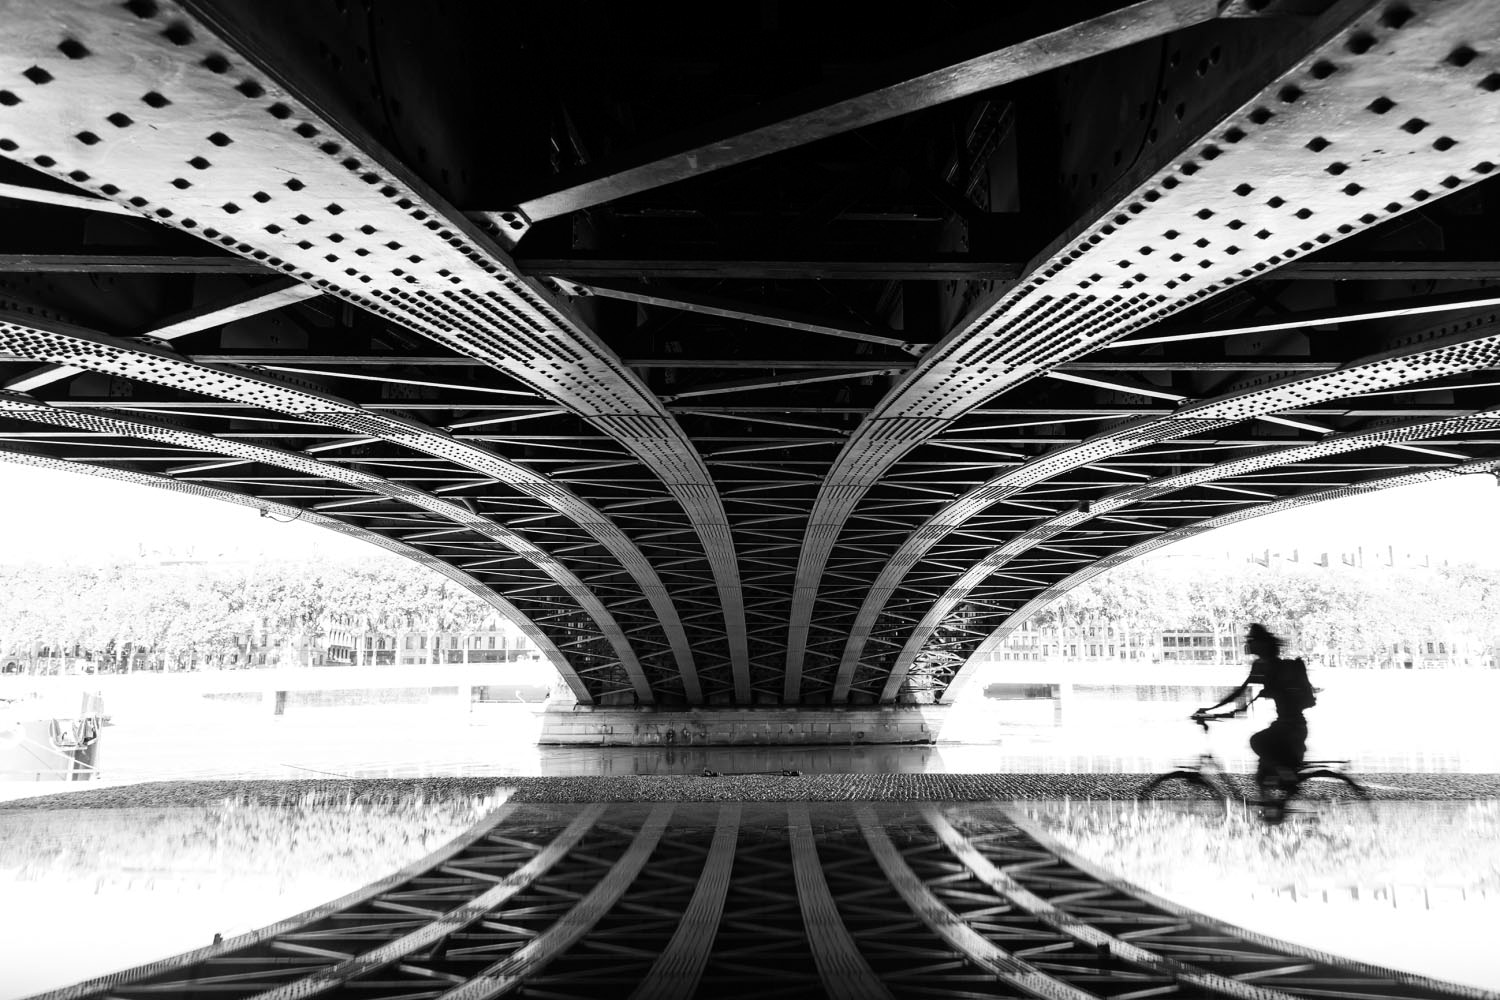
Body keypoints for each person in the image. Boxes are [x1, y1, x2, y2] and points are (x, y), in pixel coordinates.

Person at [1196, 624, 1314, 798]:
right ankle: (1270, 813)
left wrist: (1213, 711)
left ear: (1261, 644)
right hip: (1287, 725)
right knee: (1262, 776)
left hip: (1291, 728)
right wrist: (1212, 710)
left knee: (1257, 741)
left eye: (1251, 640)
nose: (1248, 644)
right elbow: (1241, 694)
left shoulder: (1272, 667)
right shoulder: (1261, 666)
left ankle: (1288, 780)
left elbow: (1240, 695)